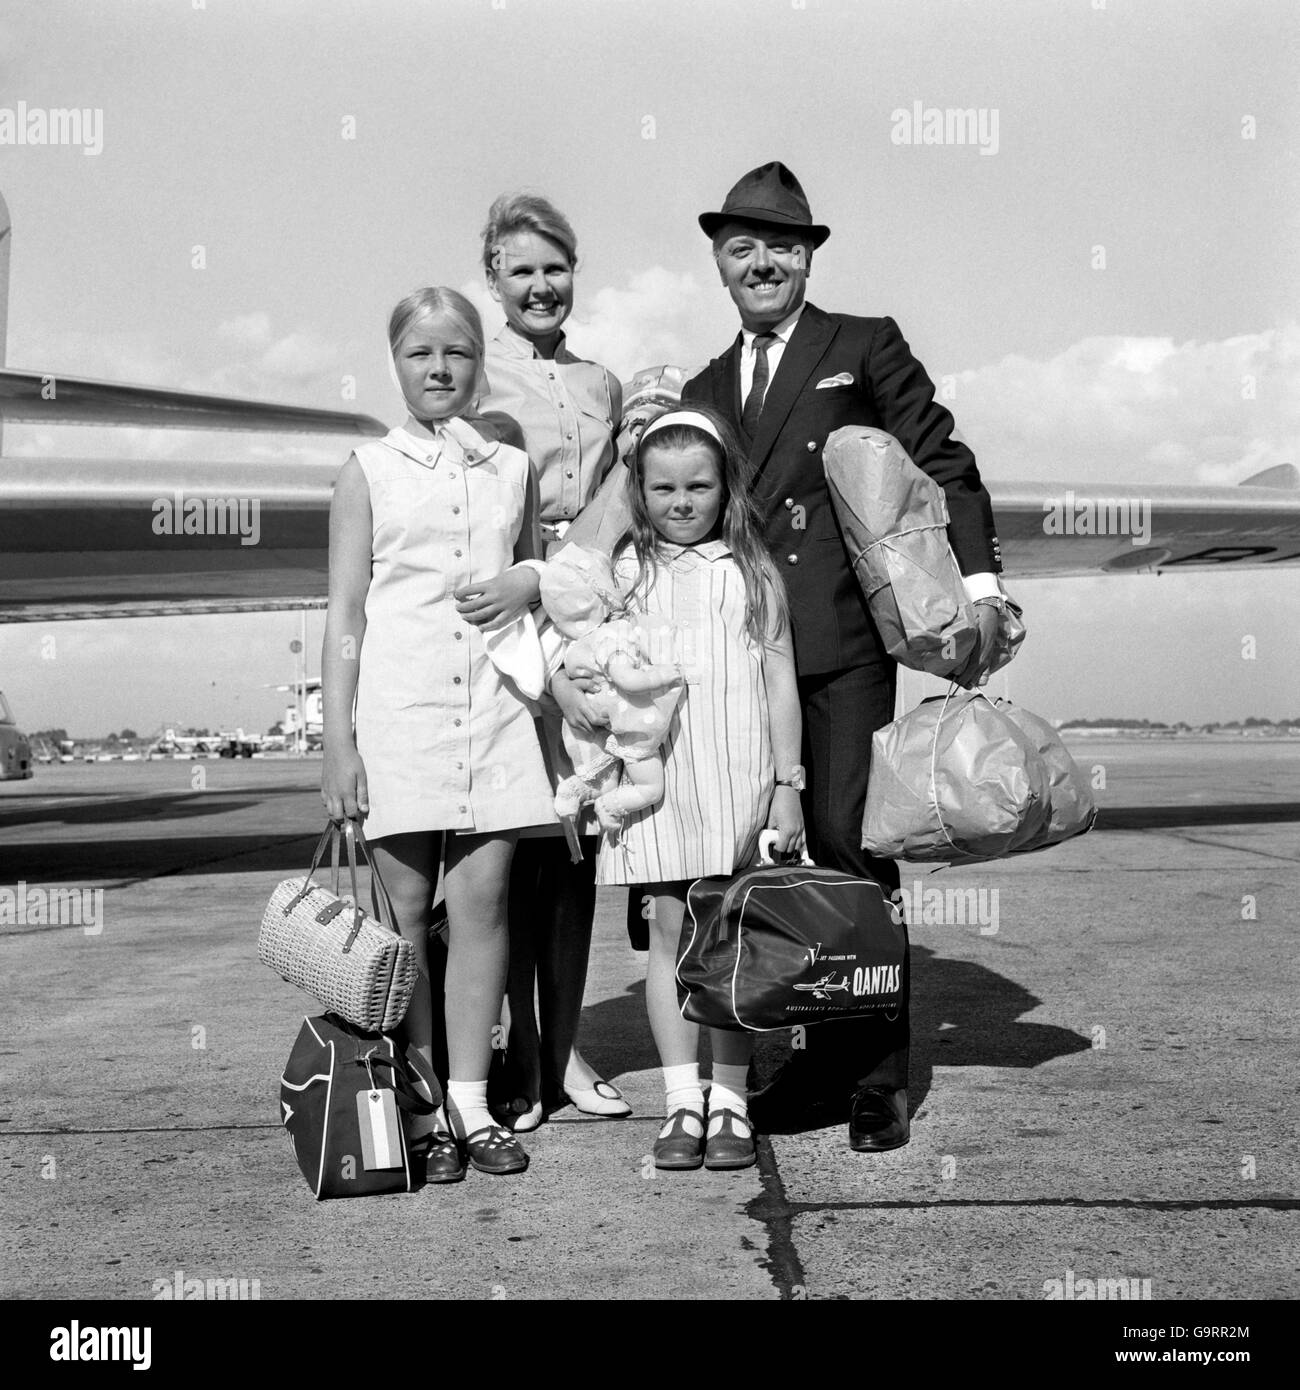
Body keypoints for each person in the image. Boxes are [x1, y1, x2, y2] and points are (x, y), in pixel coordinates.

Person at [681, 162, 1006, 1153]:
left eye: (782, 243)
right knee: (774, 856)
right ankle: (812, 1053)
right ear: (719, 262)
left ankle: (871, 1080)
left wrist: (981, 588)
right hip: (743, 654)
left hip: (840, 639)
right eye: (743, 246)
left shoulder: (859, 347)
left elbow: (942, 463)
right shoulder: (700, 388)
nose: (762, 261)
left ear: (808, 254)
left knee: (850, 846)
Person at [320, 286, 555, 1179]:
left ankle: (472, 1101)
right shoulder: (366, 469)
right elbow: (345, 612)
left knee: (485, 905)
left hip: (494, 708)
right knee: (407, 914)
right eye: (421, 354)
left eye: (455, 353)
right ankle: (418, 1103)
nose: (439, 369)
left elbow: (536, 562)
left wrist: (527, 576)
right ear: (396, 363)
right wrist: (338, 743)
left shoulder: (510, 465)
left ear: (477, 362)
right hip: (402, 711)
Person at [556, 405, 804, 1171]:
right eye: (663, 488)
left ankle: (730, 1101)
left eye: (699, 485)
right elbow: (576, 647)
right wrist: (569, 690)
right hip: (658, 788)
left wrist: (788, 784)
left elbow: (780, 683)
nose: (682, 501)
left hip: (738, 779)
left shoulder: (753, 574)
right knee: (668, 935)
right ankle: (681, 1102)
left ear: (726, 488)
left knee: (729, 942)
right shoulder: (624, 577)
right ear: (639, 492)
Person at [476, 193, 631, 1129]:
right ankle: (521, 1056)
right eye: (521, 269)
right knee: (514, 851)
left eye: (555, 268)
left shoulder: (604, 383)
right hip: (509, 623)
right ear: (492, 277)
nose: (541, 285)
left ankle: (564, 1046)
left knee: (577, 845)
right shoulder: (472, 372)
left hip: (591, 616)